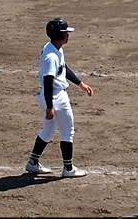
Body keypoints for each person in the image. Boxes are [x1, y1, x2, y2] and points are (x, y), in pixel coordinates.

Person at [25, 17, 93, 178]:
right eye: (65, 33)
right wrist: (50, 107)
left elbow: (63, 68)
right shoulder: (51, 57)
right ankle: (68, 168)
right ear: (59, 35)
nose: (68, 36)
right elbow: (48, 81)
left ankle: (33, 162)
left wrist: (80, 83)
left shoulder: (53, 48)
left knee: (48, 130)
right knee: (67, 131)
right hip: (55, 97)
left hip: (48, 96)